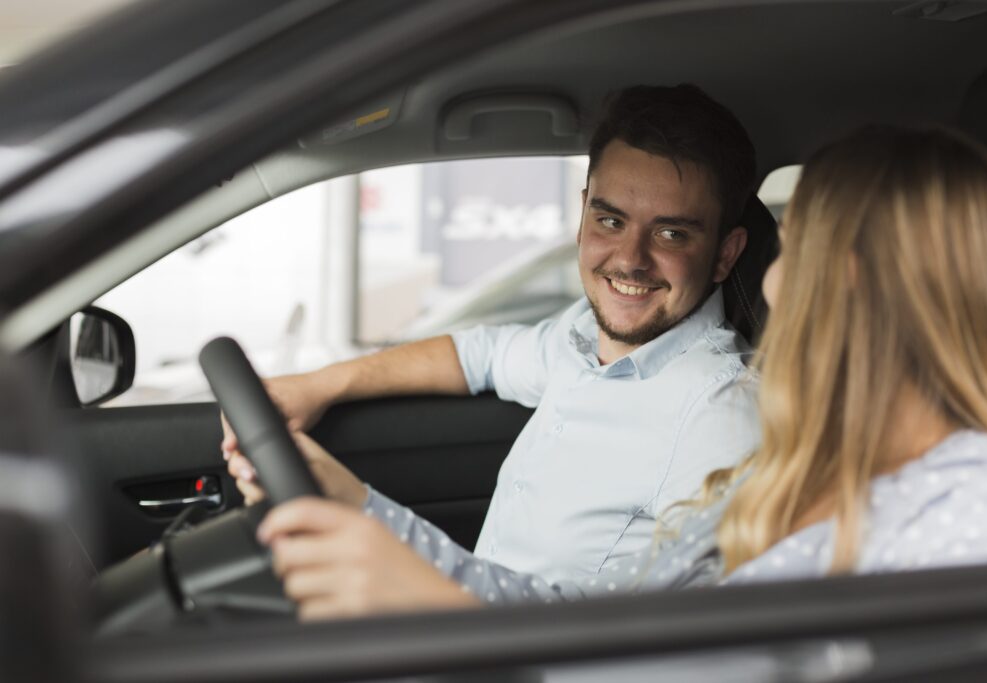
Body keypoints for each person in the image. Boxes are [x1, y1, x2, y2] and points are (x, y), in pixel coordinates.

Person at [255, 124, 987, 620]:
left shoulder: (978, 508)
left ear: (850, 279)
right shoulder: (804, 468)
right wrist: (355, 491)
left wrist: (427, 600)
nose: (777, 282)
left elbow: (633, 655)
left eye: (794, 253)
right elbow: (486, 354)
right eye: (611, 219)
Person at [224, 84, 763, 583]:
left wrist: (361, 511)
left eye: (671, 233)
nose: (629, 259)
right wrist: (320, 386)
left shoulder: (720, 416)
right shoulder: (576, 341)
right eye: (611, 221)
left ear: (724, 254)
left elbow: (625, 638)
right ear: (582, 217)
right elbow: (478, 354)